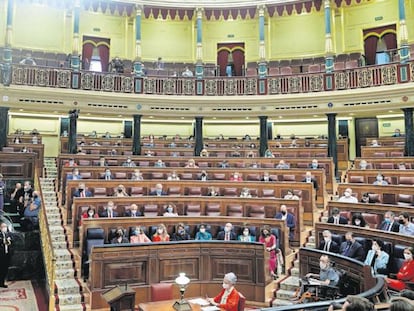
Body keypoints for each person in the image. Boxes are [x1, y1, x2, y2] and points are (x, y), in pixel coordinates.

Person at [0, 222, 12, 288]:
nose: (4, 228)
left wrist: (9, 241)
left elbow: (10, 242)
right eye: (3, 227)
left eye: (5, 227)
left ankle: (2, 282)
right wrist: (3, 241)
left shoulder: (7, 234)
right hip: (1, 255)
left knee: (5, 269)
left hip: (6, 254)